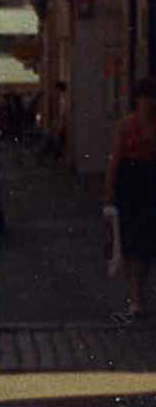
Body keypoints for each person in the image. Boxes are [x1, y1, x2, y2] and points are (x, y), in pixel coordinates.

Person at [105, 76, 156, 325]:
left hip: (150, 183)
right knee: (130, 242)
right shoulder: (126, 125)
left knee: (146, 246)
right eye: (145, 97)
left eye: (151, 98)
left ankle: (140, 294)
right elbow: (115, 158)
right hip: (131, 184)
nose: (148, 103)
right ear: (137, 100)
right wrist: (109, 190)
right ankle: (135, 298)